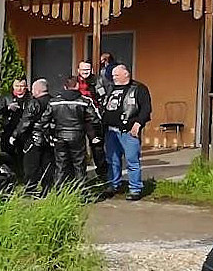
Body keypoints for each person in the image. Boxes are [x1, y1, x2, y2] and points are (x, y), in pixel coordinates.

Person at [102, 64, 152, 200]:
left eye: (116, 75)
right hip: (111, 131)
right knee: (112, 160)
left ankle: (135, 189)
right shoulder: (111, 88)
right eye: (113, 75)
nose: (114, 78)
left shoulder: (139, 88)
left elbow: (146, 109)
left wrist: (139, 123)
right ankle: (114, 185)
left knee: (132, 161)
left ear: (126, 74)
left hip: (129, 132)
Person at [39, 77, 100, 189]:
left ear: (65, 87)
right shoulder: (84, 101)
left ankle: (59, 191)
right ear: (77, 86)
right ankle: (80, 191)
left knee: (60, 165)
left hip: (60, 136)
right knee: (79, 165)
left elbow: (44, 120)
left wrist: (48, 134)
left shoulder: (54, 102)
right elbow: (95, 120)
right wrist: (93, 134)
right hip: (77, 136)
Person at [11, 79, 53, 188]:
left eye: (33, 89)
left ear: (38, 90)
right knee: (47, 166)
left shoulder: (34, 103)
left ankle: (30, 190)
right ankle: (47, 189)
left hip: (34, 139)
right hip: (50, 139)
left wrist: (15, 135)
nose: (32, 92)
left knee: (31, 167)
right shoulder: (54, 102)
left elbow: (26, 122)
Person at [73, 61, 108, 177]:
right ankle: (79, 175)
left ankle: (102, 174)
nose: (85, 72)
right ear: (78, 70)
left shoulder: (99, 80)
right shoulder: (73, 81)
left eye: (87, 69)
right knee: (78, 147)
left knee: (97, 147)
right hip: (77, 118)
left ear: (91, 70)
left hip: (93, 118)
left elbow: (105, 97)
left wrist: (101, 112)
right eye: (83, 69)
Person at [0, 78, 29, 171]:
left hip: (24, 130)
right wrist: (8, 108)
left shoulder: (30, 98)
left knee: (23, 155)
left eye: (22, 86)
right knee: (8, 154)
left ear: (26, 87)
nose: (19, 88)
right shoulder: (6, 97)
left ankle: (21, 173)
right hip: (8, 129)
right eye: (17, 86)